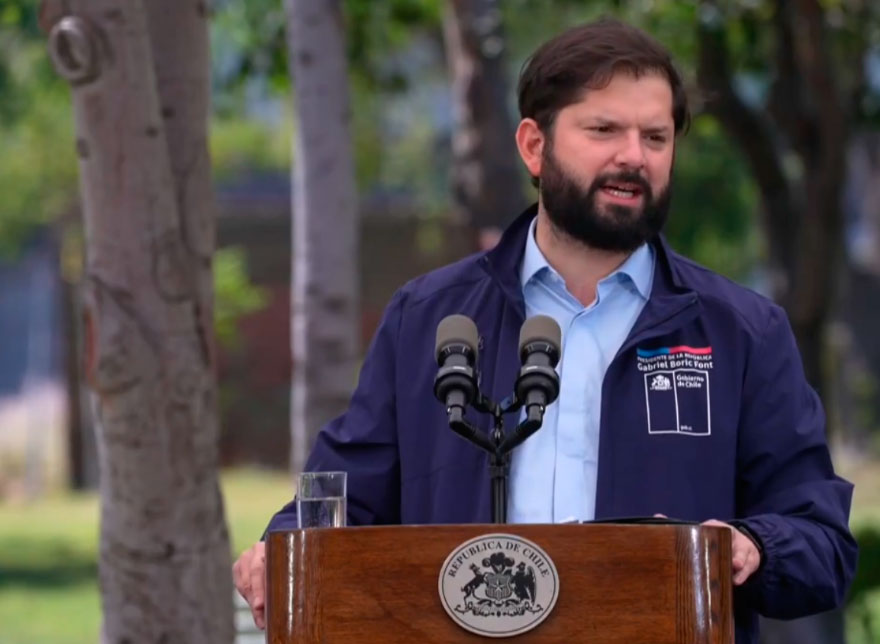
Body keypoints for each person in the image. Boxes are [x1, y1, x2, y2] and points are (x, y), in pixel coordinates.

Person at [233, 18, 857, 643]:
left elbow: (822, 542)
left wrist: (750, 546)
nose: (634, 156)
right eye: (604, 130)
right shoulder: (430, 317)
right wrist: (279, 550)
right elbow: (348, 504)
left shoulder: (741, 331)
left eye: (656, 137)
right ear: (534, 146)